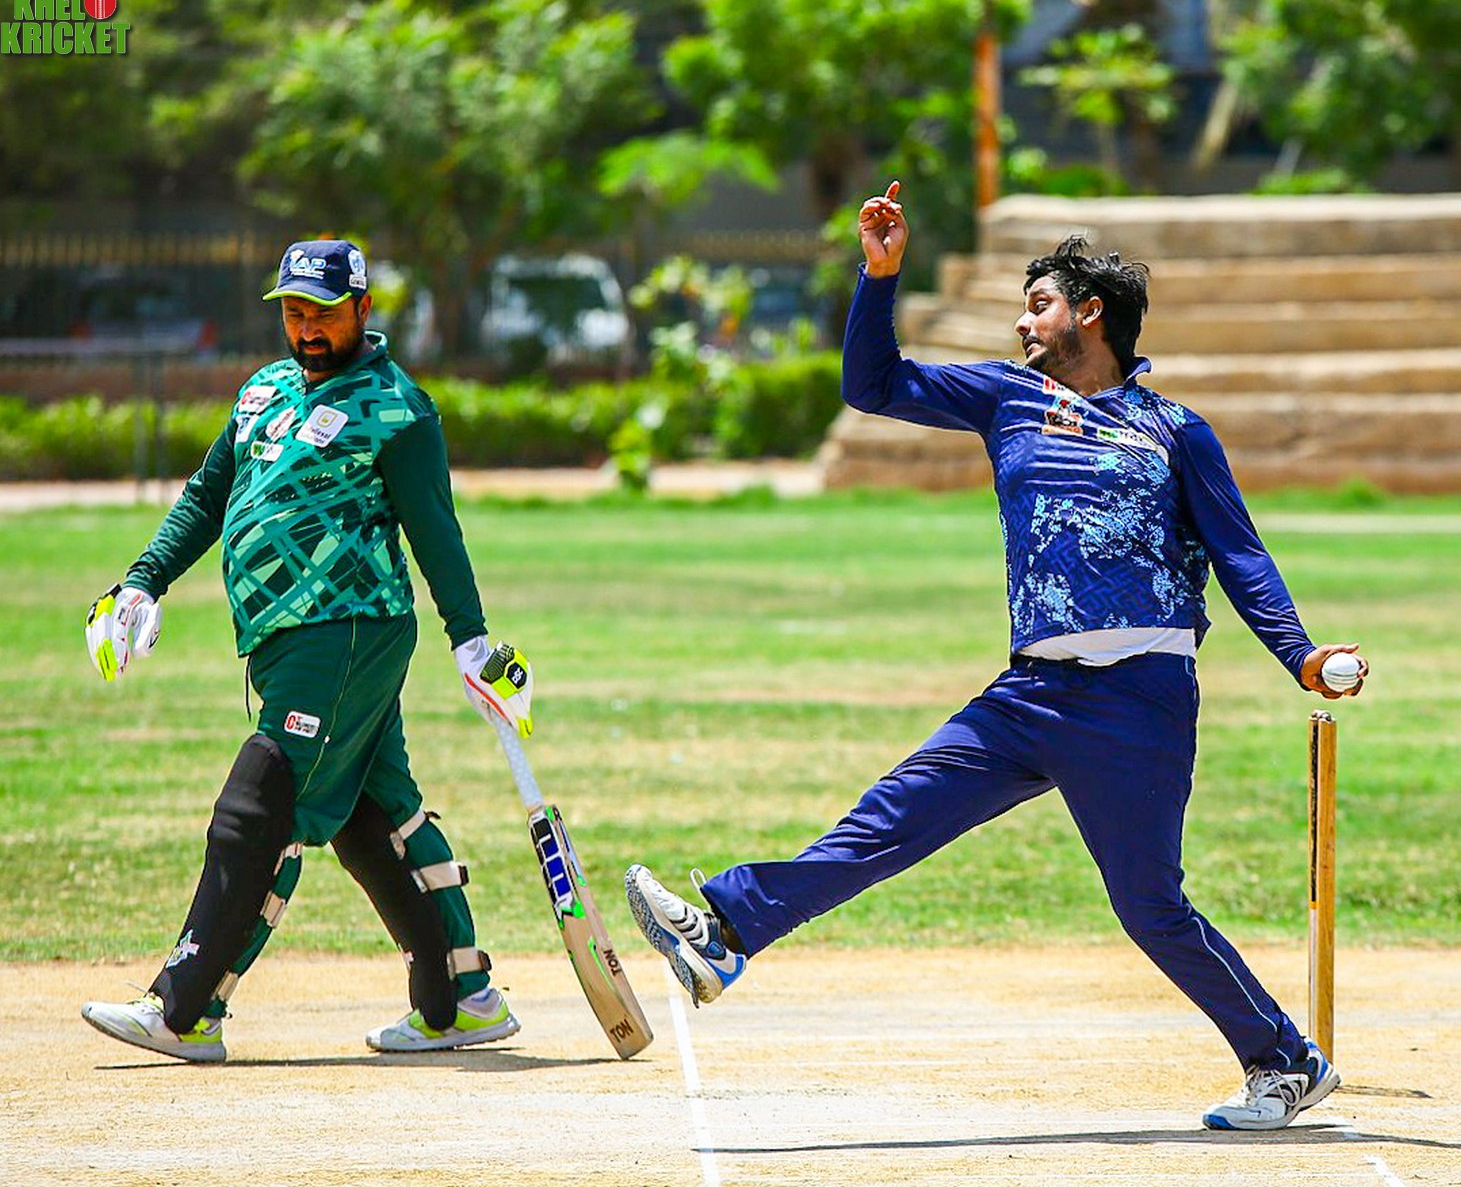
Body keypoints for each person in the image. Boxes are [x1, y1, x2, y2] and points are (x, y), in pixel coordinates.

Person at [626, 181, 1369, 1132]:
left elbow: (1240, 555)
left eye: (1038, 304)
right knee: (886, 818)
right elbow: (873, 385)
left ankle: (1284, 1061)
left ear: (1089, 314)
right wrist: (879, 276)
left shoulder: (1175, 430)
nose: (1022, 323)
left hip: (1139, 700)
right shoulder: (1006, 396)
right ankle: (727, 932)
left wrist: (1299, 655)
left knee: (1150, 907)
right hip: (1029, 694)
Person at [81, 239, 536, 1063]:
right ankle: (461, 1000)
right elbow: (208, 495)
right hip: (283, 643)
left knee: (262, 802)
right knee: (372, 815)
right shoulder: (262, 392)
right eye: (293, 313)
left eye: (322, 313)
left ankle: (185, 1009)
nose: (306, 329)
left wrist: (470, 640)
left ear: (362, 308)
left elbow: (436, 531)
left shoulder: (398, 408)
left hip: (349, 631)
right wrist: (143, 581)